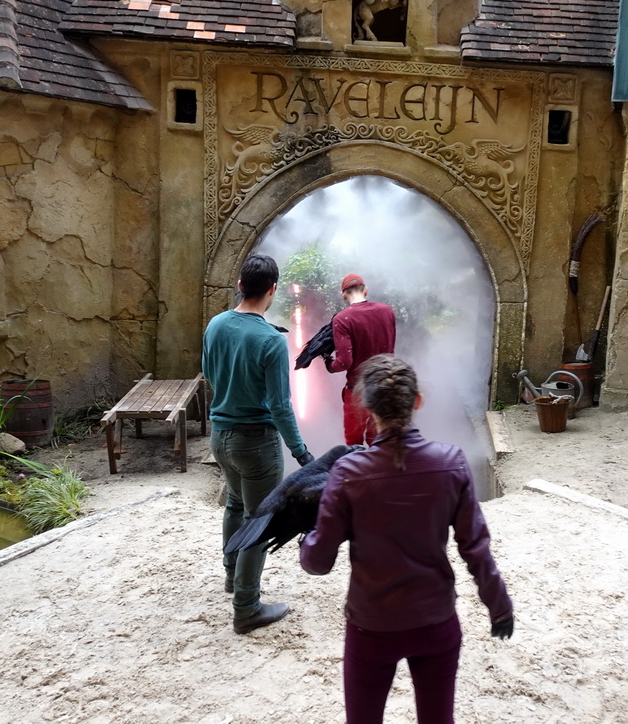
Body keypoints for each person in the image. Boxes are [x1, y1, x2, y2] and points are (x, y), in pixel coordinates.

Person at [300, 354, 514, 724]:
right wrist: (500, 607)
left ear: (366, 407)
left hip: (372, 626)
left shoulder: (348, 473)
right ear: (417, 401)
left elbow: (319, 563)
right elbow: (475, 548)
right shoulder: (452, 463)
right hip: (436, 621)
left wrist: (307, 543)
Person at [202, 253, 314, 635]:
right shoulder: (270, 341)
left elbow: (209, 373)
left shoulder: (215, 325)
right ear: (272, 289)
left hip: (220, 436)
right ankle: (247, 607)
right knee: (260, 521)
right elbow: (281, 408)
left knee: (235, 504)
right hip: (256, 445)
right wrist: (302, 453)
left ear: (239, 286)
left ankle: (233, 576)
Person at [326, 273, 397, 446]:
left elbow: (344, 362)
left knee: (354, 444)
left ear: (343, 295)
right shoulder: (387, 311)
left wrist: (329, 365)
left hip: (357, 392)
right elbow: (391, 348)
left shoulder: (342, 319)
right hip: (384, 386)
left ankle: (359, 473)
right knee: (379, 440)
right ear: (366, 290)